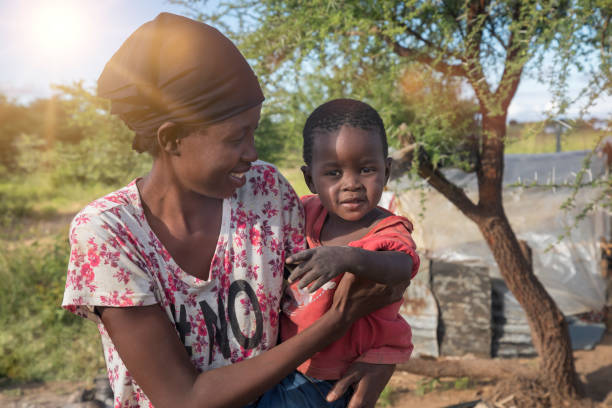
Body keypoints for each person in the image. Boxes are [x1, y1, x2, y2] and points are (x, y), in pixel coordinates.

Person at [61, 13, 408, 408]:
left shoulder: (265, 192)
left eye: (254, 131)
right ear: (172, 138)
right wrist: (337, 322)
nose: (253, 152)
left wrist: (379, 358)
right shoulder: (109, 234)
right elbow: (182, 399)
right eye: (237, 137)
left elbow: (366, 278)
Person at [281, 99, 420, 382]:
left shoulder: (387, 230)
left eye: (367, 170)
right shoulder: (302, 214)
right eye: (333, 173)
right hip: (286, 359)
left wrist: (348, 257)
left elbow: (402, 266)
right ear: (310, 179)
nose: (351, 183)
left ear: (387, 171)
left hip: (338, 375)